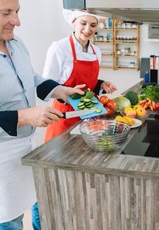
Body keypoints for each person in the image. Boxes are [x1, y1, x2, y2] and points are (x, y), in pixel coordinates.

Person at [0, 0, 85, 230]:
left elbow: (31, 79)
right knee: (9, 225)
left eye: (17, 11)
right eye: (6, 13)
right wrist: (24, 117)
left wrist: (59, 90)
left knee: (41, 205)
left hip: (29, 146)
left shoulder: (14, 42)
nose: (16, 21)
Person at [43, 9, 117, 143]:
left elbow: (89, 84)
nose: (88, 29)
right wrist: (67, 92)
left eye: (93, 25)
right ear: (73, 23)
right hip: (64, 114)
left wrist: (101, 84)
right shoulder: (59, 48)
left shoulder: (96, 51)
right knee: (60, 156)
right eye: (83, 23)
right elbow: (46, 86)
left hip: (89, 114)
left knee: (84, 154)